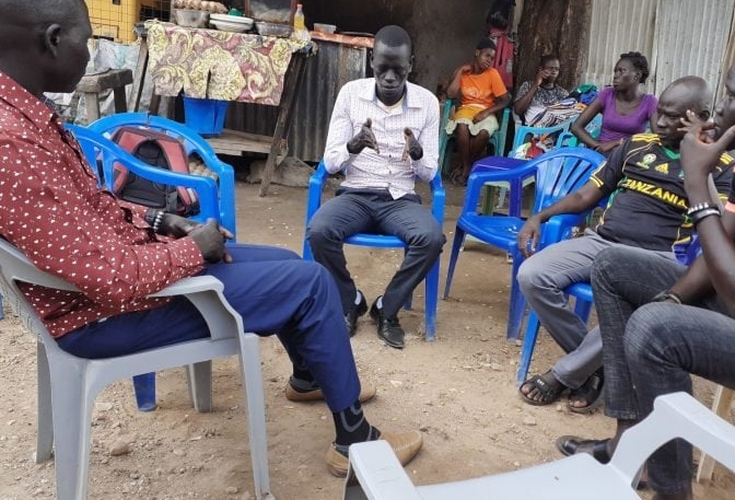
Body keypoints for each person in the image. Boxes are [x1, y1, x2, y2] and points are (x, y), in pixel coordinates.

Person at [0, 0, 421, 478]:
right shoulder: (13, 143)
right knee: (310, 283)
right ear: (53, 40)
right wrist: (192, 249)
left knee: (284, 262)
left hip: (112, 291)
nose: (90, 50)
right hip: (105, 316)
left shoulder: (26, 120)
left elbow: (96, 209)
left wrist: (162, 223)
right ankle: (355, 441)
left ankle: (309, 376)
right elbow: (110, 278)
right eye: (87, 39)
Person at [559, 39, 735, 500]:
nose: (721, 108)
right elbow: (721, 250)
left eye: (732, 95)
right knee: (613, 267)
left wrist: (697, 186)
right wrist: (670, 297)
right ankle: (629, 437)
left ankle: (671, 489)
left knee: (655, 329)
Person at [516, 76, 733, 412]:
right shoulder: (636, 145)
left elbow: (718, 224)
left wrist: (697, 162)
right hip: (602, 243)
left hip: (656, 258)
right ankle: (594, 367)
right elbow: (587, 195)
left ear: (700, 117)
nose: (660, 122)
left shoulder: (720, 166)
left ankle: (565, 374)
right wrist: (539, 217)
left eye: (674, 117)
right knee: (532, 275)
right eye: (660, 111)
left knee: (635, 313)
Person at [306, 25, 445, 350]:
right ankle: (349, 300)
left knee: (431, 238)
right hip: (356, 194)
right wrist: (353, 145)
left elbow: (429, 173)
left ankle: (387, 308)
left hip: (400, 199)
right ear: (372, 61)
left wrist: (416, 153)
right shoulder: (351, 95)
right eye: (383, 68)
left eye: (399, 70)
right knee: (319, 231)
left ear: (410, 65)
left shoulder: (426, 103)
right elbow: (329, 163)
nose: (390, 78)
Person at [444, 38, 511, 185]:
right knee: (462, 127)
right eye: (487, 56)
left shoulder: (492, 74)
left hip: (486, 111)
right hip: (466, 110)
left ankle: (464, 166)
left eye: (492, 58)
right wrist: (460, 71)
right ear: (477, 53)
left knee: (483, 133)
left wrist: (486, 112)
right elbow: (450, 94)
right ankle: (467, 167)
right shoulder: (463, 72)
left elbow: (506, 100)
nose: (489, 61)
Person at [571, 51, 657, 155]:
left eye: (621, 71)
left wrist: (619, 143)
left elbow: (658, 137)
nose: (615, 76)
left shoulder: (649, 102)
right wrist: (598, 146)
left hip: (630, 156)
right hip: (602, 156)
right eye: (615, 71)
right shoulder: (607, 95)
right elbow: (576, 127)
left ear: (637, 75)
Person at [513, 54, 573, 128]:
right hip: (532, 130)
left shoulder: (562, 93)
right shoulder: (528, 86)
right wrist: (536, 85)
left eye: (556, 69)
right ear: (541, 69)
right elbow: (518, 110)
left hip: (554, 132)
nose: (554, 72)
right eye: (550, 68)